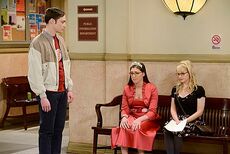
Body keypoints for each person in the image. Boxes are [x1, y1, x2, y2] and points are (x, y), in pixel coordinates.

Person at [28, 7, 74, 154]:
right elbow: (34, 73)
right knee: (47, 131)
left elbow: (65, 65)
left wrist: (69, 88)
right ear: (52, 21)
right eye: (63, 22)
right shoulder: (37, 43)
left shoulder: (60, 40)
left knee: (59, 130)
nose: (65, 25)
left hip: (62, 91)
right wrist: (42, 96)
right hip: (48, 94)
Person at [111, 62, 160, 154]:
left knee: (137, 127)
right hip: (132, 116)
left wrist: (139, 120)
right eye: (131, 73)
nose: (133, 76)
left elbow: (153, 111)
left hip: (147, 118)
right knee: (124, 126)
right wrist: (124, 117)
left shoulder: (152, 88)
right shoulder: (127, 88)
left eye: (136, 73)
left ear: (143, 74)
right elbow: (124, 107)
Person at [164, 60, 205, 154]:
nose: (180, 76)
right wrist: (177, 120)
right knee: (167, 129)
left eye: (182, 73)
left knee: (178, 131)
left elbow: (200, 111)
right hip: (178, 119)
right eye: (178, 74)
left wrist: (184, 122)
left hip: (193, 121)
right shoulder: (175, 89)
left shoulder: (198, 90)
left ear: (189, 73)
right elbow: (172, 109)